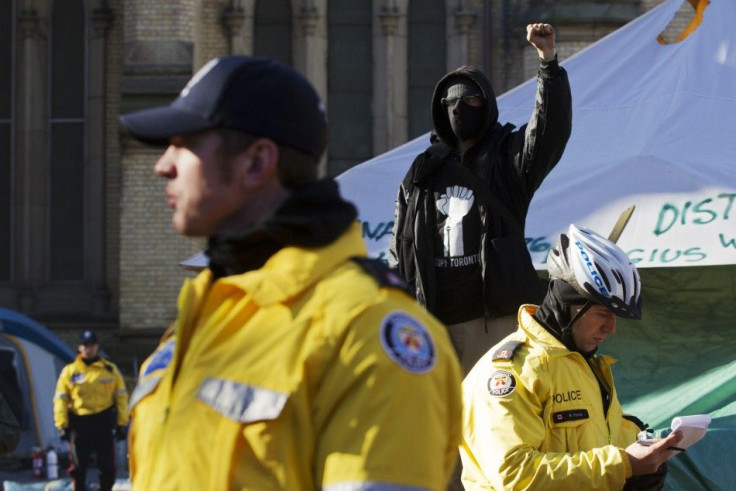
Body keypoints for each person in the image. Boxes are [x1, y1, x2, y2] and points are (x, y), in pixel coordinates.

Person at [118, 55, 462, 490]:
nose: (162, 165)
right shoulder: (201, 316)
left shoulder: (365, 332)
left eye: (185, 143)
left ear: (257, 162)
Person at [389, 23, 572, 375]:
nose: (459, 108)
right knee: (439, 425)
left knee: (493, 420)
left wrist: (548, 65)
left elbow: (548, 133)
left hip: (494, 323)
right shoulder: (423, 170)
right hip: (431, 324)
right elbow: (401, 245)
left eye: (470, 100)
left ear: (486, 104)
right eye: (451, 102)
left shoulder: (507, 158)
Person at [460, 224, 684, 490]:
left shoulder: (583, 363)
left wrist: (644, 461)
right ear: (567, 303)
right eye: (603, 313)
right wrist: (624, 464)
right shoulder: (510, 373)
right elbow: (514, 475)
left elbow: (594, 445)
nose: (611, 328)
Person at [53, 330, 129, 491]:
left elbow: (121, 397)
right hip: (79, 422)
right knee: (78, 465)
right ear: (79, 348)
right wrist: (61, 424)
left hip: (103, 421)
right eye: (85, 345)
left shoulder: (109, 370)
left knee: (106, 464)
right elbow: (61, 399)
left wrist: (122, 423)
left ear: (97, 347)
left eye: (92, 345)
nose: (89, 349)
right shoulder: (70, 371)